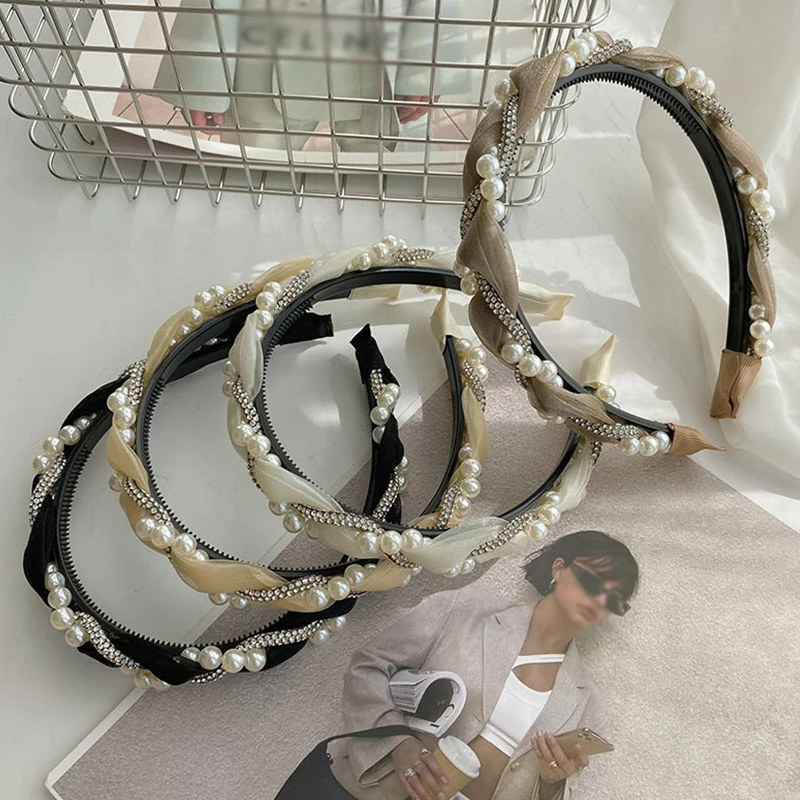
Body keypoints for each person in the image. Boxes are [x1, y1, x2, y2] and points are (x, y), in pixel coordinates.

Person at [327, 530, 639, 800]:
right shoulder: (468, 609)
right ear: (559, 569)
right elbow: (368, 666)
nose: (600, 601)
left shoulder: (585, 703)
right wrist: (397, 743)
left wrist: (550, 784)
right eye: (594, 582)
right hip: (383, 790)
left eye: (614, 601)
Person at [151, 0, 473, 152]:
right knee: (253, 186)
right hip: (263, 57)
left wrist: (430, 61)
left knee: (396, 195)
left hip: (388, 57)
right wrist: (201, 75)